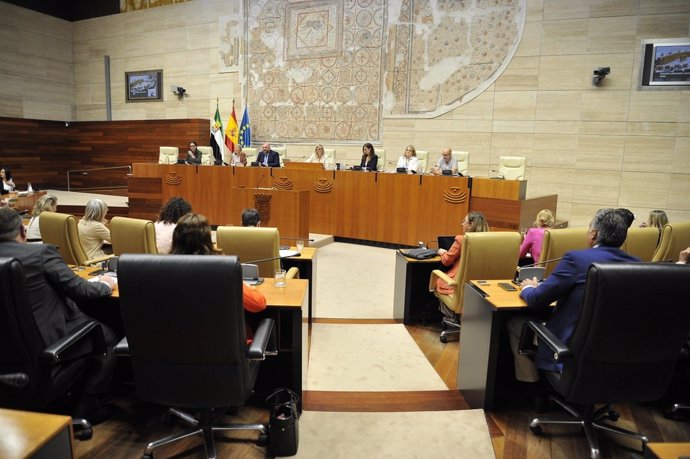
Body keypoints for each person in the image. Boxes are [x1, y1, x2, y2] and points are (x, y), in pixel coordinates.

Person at [0, 207, 119, 422]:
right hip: (47, 346)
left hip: (7, 353)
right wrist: (105, 284)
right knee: (109, 336)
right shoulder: (40, 253)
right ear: (22, 230)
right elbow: (81, 290)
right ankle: (88, 408)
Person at [507, 209, 639, 391]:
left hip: (570, 347)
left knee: (515, 324)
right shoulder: (637, 265)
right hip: (611, 352)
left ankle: (533, 391)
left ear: (594, 234)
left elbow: (537, 300)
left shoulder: (577, 259)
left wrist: (528, 287)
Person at [170, 213, 267, 316]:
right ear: (208, 240)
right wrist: (245, 285)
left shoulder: (163, 271)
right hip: (217, 331)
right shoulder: (223, 269)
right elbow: (259, 304)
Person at [435, 212, 490, 299]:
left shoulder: (461, 240)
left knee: (437, 276)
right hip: (481, 286)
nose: (462, 224)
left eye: (464, 221)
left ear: (471, 225)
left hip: (458, 285)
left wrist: (442, 252)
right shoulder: (491, 241)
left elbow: (446, 261)